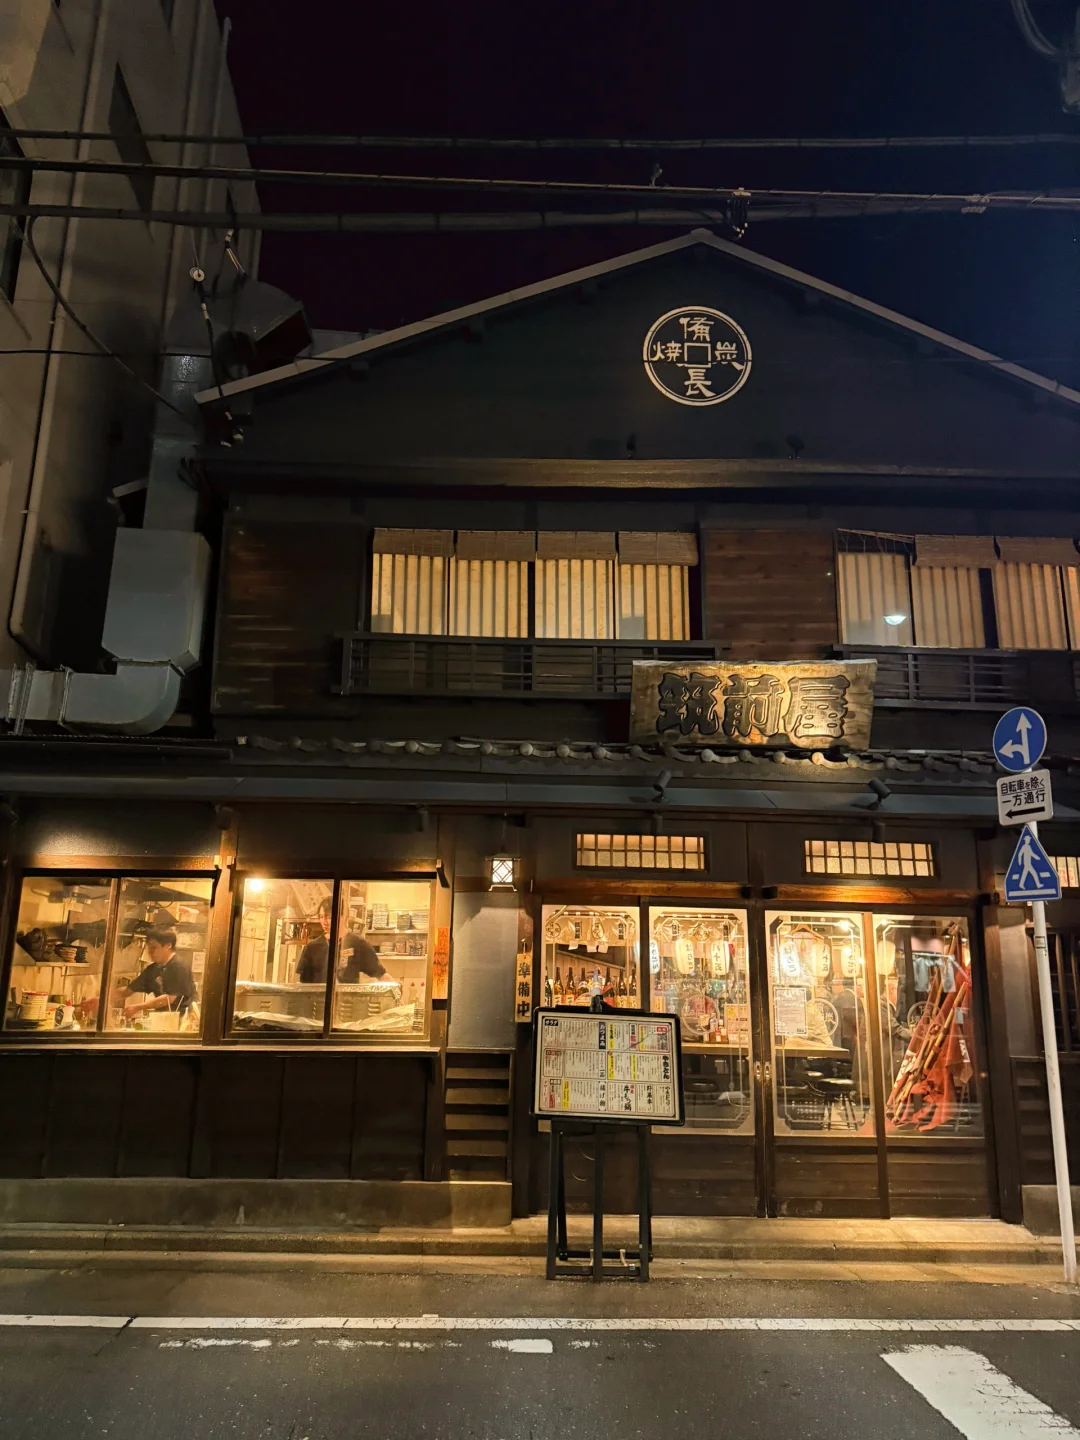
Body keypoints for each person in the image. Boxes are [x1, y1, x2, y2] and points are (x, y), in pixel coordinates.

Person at [296, 896, 389, 985]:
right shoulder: (312, 947)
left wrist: (395, 992)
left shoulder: (358, 943)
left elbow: (381, 974)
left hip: (348, 996)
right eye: (321, 917)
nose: (324, 922)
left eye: (329, 917)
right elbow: (304, 984)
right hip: (319, 996)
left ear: (342, 916)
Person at [122, 929, 197, 1017]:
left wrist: (137, 1007)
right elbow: (128, 990)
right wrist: (109, 995)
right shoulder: (154, 969)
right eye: (149, 948)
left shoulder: (179, 966)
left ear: (168, 945)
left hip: (183, 1018)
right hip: (163, 1018)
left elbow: (169, 998)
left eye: (153, 947)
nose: (150, 952)